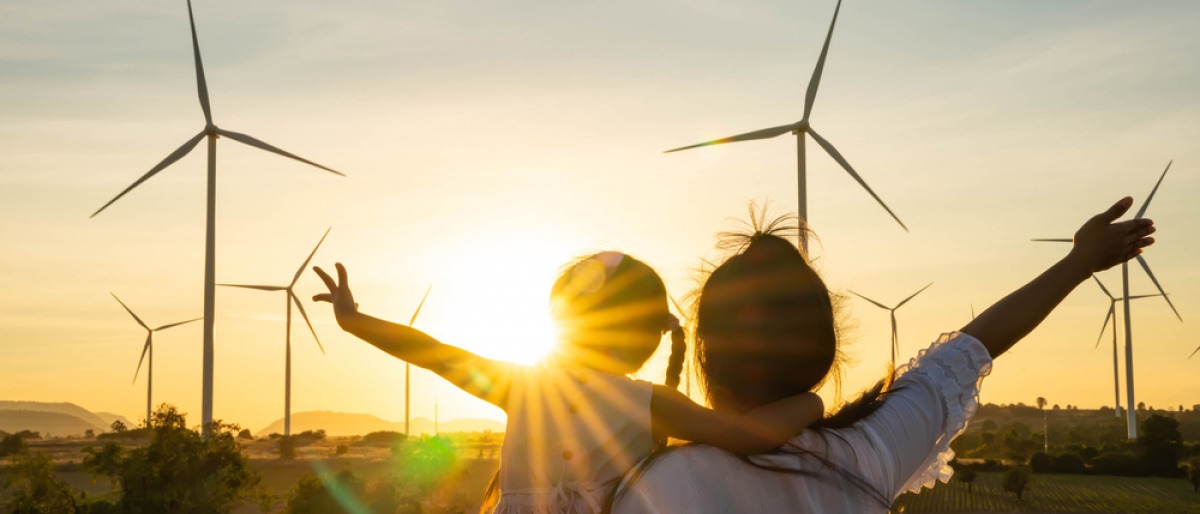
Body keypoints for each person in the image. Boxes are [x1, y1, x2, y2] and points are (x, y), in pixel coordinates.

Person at [609, 197, 1155, 513]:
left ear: (704, 352)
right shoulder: (866, 451)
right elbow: (974, 345)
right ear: (824, 352)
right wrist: (1079, 262)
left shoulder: (656, 485)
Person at [311, 251, 825, 514]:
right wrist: (810, 402)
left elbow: (431, 354)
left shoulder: (522, 385)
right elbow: (749, 436)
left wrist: (354, 321)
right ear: (646, 336)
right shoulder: (651, 401)